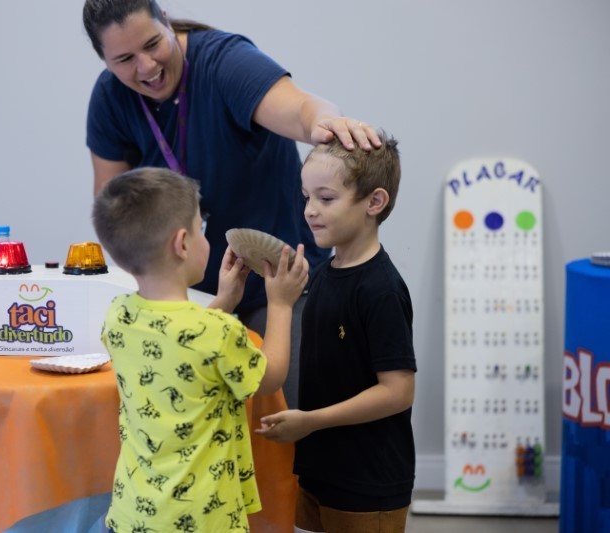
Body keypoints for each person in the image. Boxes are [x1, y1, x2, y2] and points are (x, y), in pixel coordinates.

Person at [83, 0, 381, 409]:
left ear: (166, 20)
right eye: (124, 59)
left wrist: (323, 123)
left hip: (279, 281)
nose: (147, 66)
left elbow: (301, 109)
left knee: (290, 412)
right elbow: (113, 211)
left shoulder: (225, 62)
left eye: (152, 44)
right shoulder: (110, 98)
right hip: (186, 297)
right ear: (104, 60)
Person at [92, 167, 308, 532]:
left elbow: (178, 342)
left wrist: (224, 300)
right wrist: (282, 304)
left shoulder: (119, 315)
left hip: (136, 513)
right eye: (200, 227)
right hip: (204, 518)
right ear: (182, 243)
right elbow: (270, 378)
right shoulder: (219, 332)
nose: (204, 237)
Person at [256, 132, 416, 533]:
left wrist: (311, 420)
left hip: (367, 483)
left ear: (374, 202)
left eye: (325, 199)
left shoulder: (381, 289)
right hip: (319, 471)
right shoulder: (323, 274)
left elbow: (398, 391)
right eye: (306, 197)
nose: (310, 210)